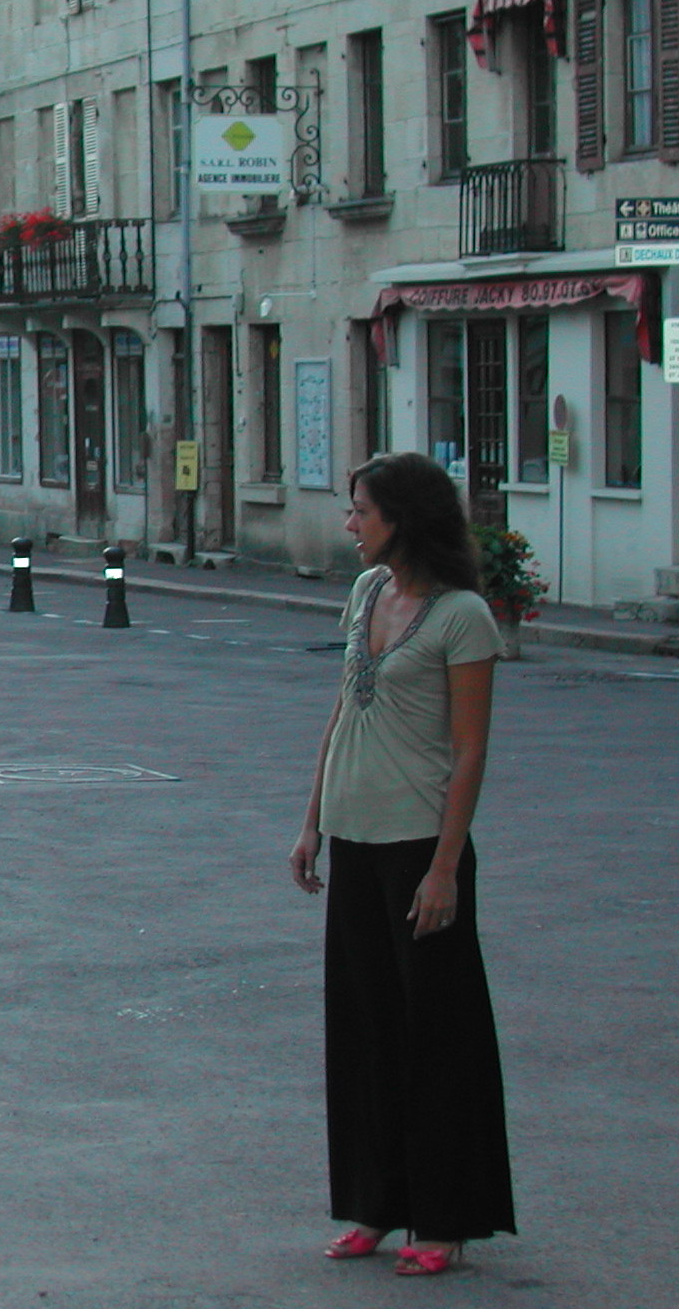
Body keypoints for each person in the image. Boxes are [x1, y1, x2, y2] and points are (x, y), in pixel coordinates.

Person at [290, 452, 515, 1276]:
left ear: (403, 519)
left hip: (421, 844)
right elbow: (343, 710)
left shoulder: (463, 617)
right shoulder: (366, 591)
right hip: (354, 835)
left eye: (362, 511)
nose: (350, 523)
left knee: (437, 1039)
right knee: (365, 1034)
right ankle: (373, 1205)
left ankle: (444, 1219)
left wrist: (446, 868)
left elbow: (470, 750)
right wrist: (311, 822)